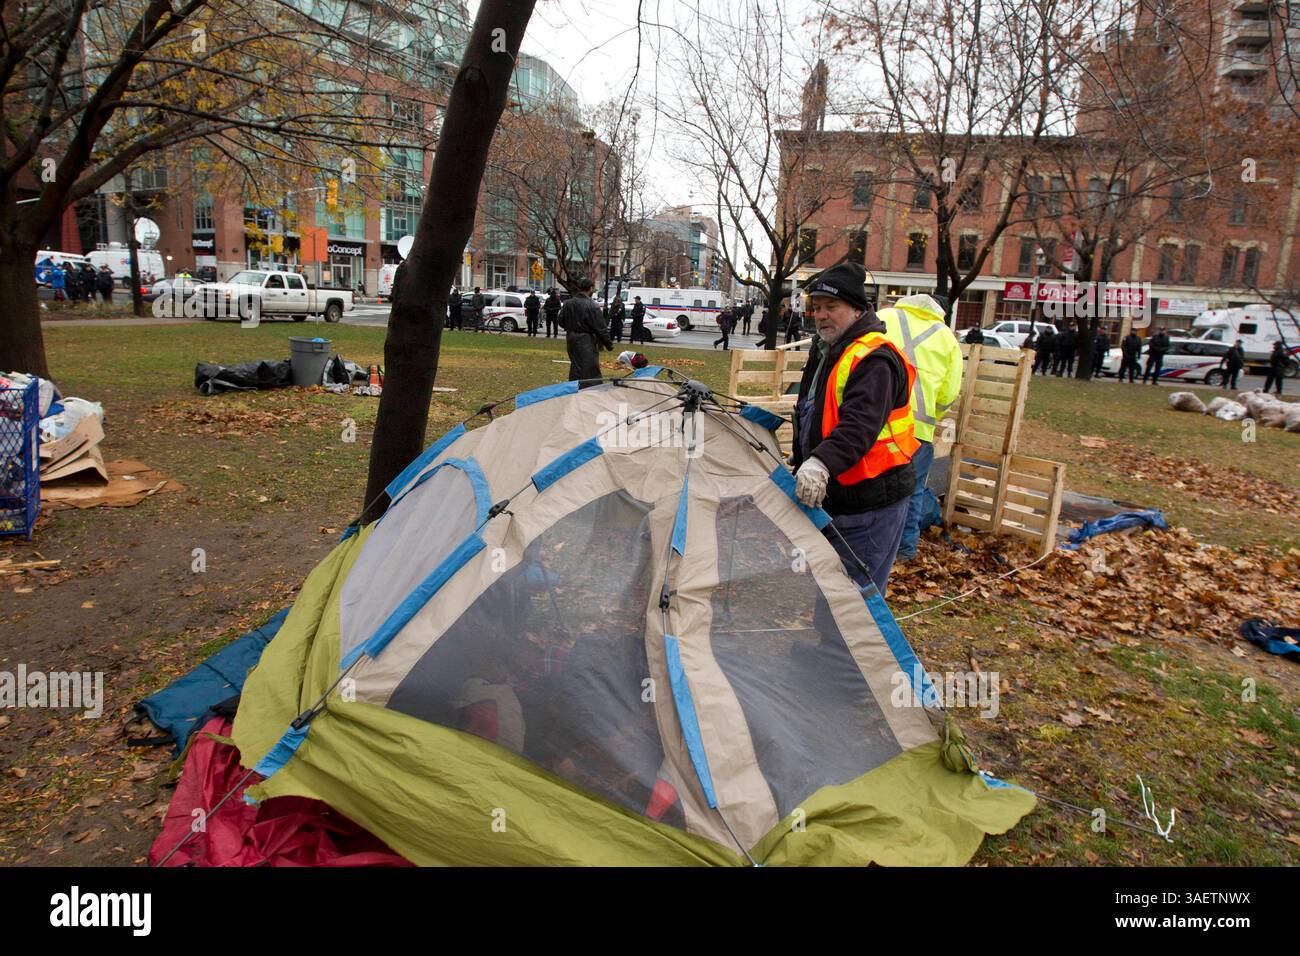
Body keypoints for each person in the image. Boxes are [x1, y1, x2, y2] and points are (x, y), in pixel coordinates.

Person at [791, 262, 918, 595]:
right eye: (816, 307)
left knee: (857, 596)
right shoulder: (827, 350)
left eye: (832, 307)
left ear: (858, 309)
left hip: (872, 501)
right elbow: (811, 412)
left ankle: (851, 649)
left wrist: (820, 463)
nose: (821, 315)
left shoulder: (875, 358)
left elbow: (859, 426)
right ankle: (829, 646)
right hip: (841, 496)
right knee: (833, 590)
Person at [879, 292, 962, 563]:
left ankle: (865, 544)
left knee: (867, 485)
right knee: (911, 491)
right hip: (918, 433)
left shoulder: (885, 317)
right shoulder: (947, 338)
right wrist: (932, 415)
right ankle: (904, 551)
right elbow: (949, 393)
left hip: (876, 425)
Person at [560, 276, 613, 388]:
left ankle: (575, 387)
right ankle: (589, 390)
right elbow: (601, 328)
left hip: (571, 339)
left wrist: (571, 328)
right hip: (585, 340)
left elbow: (560, 321)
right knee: (589, 367)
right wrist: (609, 344)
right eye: (593, 288)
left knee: (576, 365)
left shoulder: (568, 303)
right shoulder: (592, 305)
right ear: (590, 288)